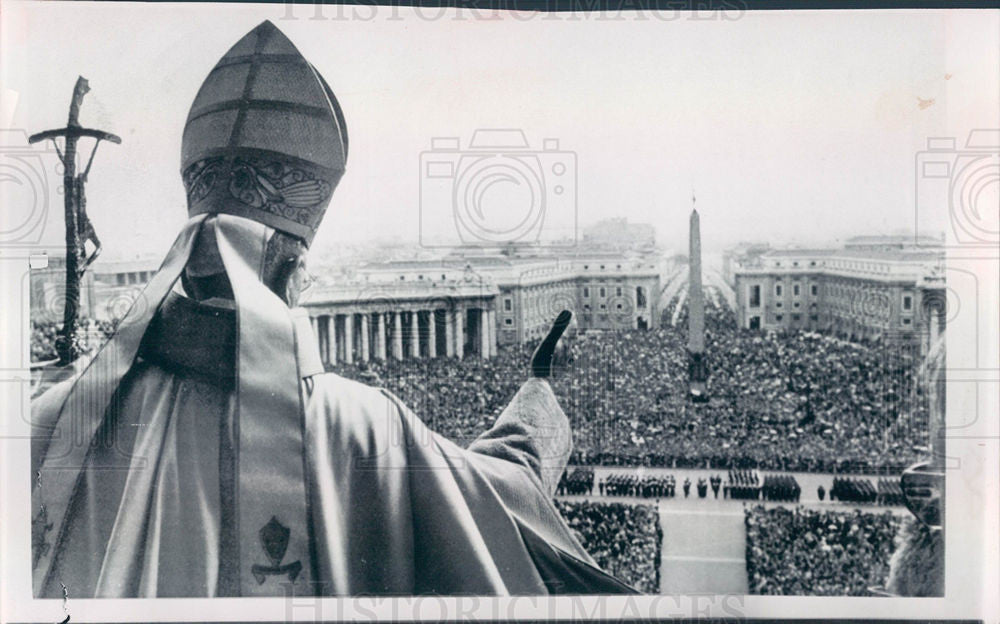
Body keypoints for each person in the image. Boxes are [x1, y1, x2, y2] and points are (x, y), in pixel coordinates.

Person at [29, 21, 634, 599]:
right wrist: (537, 395)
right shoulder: (363, 432)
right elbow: (504, 503)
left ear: (186, 259)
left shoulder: (51, 421)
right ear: (293, 271)